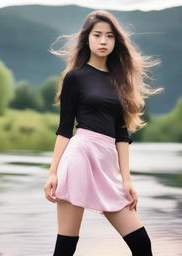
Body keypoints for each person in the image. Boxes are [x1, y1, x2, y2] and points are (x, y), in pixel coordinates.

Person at [44, 9, 164, 256]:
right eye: (97, 35)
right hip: (79, 157)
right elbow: (65, 128)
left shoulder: (121, 81)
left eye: (109, 36)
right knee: (66, 247)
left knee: (142, 244)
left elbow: (121, 135)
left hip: (107, 165)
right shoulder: (75, 77)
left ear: (115, 41)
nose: (103, 41)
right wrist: (53, 173)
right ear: (87, 38)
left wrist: (126, 180)